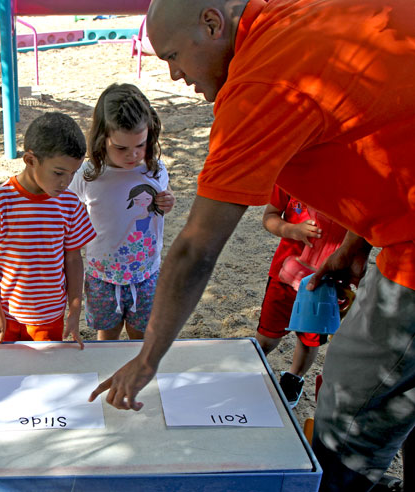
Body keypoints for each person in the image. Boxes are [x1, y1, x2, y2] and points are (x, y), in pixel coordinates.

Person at [88, 0, 415, 491]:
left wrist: (147, 360)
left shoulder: (262, 83)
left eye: (173, 56)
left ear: (213, 23)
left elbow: (196, 247)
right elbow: (385, 134)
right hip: (395, 234)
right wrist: (356, 243)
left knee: (350, 420)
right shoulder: (301, 16)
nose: (175, 75)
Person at [0, 112, 96, 348]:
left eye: (73, 173)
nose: (66, 182)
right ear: (30, 160)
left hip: (49, 317)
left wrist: (74, 310)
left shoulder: (70, 204)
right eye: (58, 173)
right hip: (5, 315)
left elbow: (74, 259)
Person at [69, 83, 174, 341]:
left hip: (146, 272)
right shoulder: (88, 174)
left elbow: (164, 197)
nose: (133, 154)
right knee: (108, 337)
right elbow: (66, 207)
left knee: (140, 337)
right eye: (121, 148)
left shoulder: (156, 169)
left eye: (140, 144)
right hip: (102, 275)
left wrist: (168, 201)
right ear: (101, 139)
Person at [255, 185, 346, 408]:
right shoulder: (290, 175)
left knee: (309, 338)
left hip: (325, 282)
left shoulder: (350, 178)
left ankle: (294, 377)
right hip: (283, 276)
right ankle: (250, 373)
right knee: (266, 338)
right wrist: (292, 230)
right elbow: (270, 216)